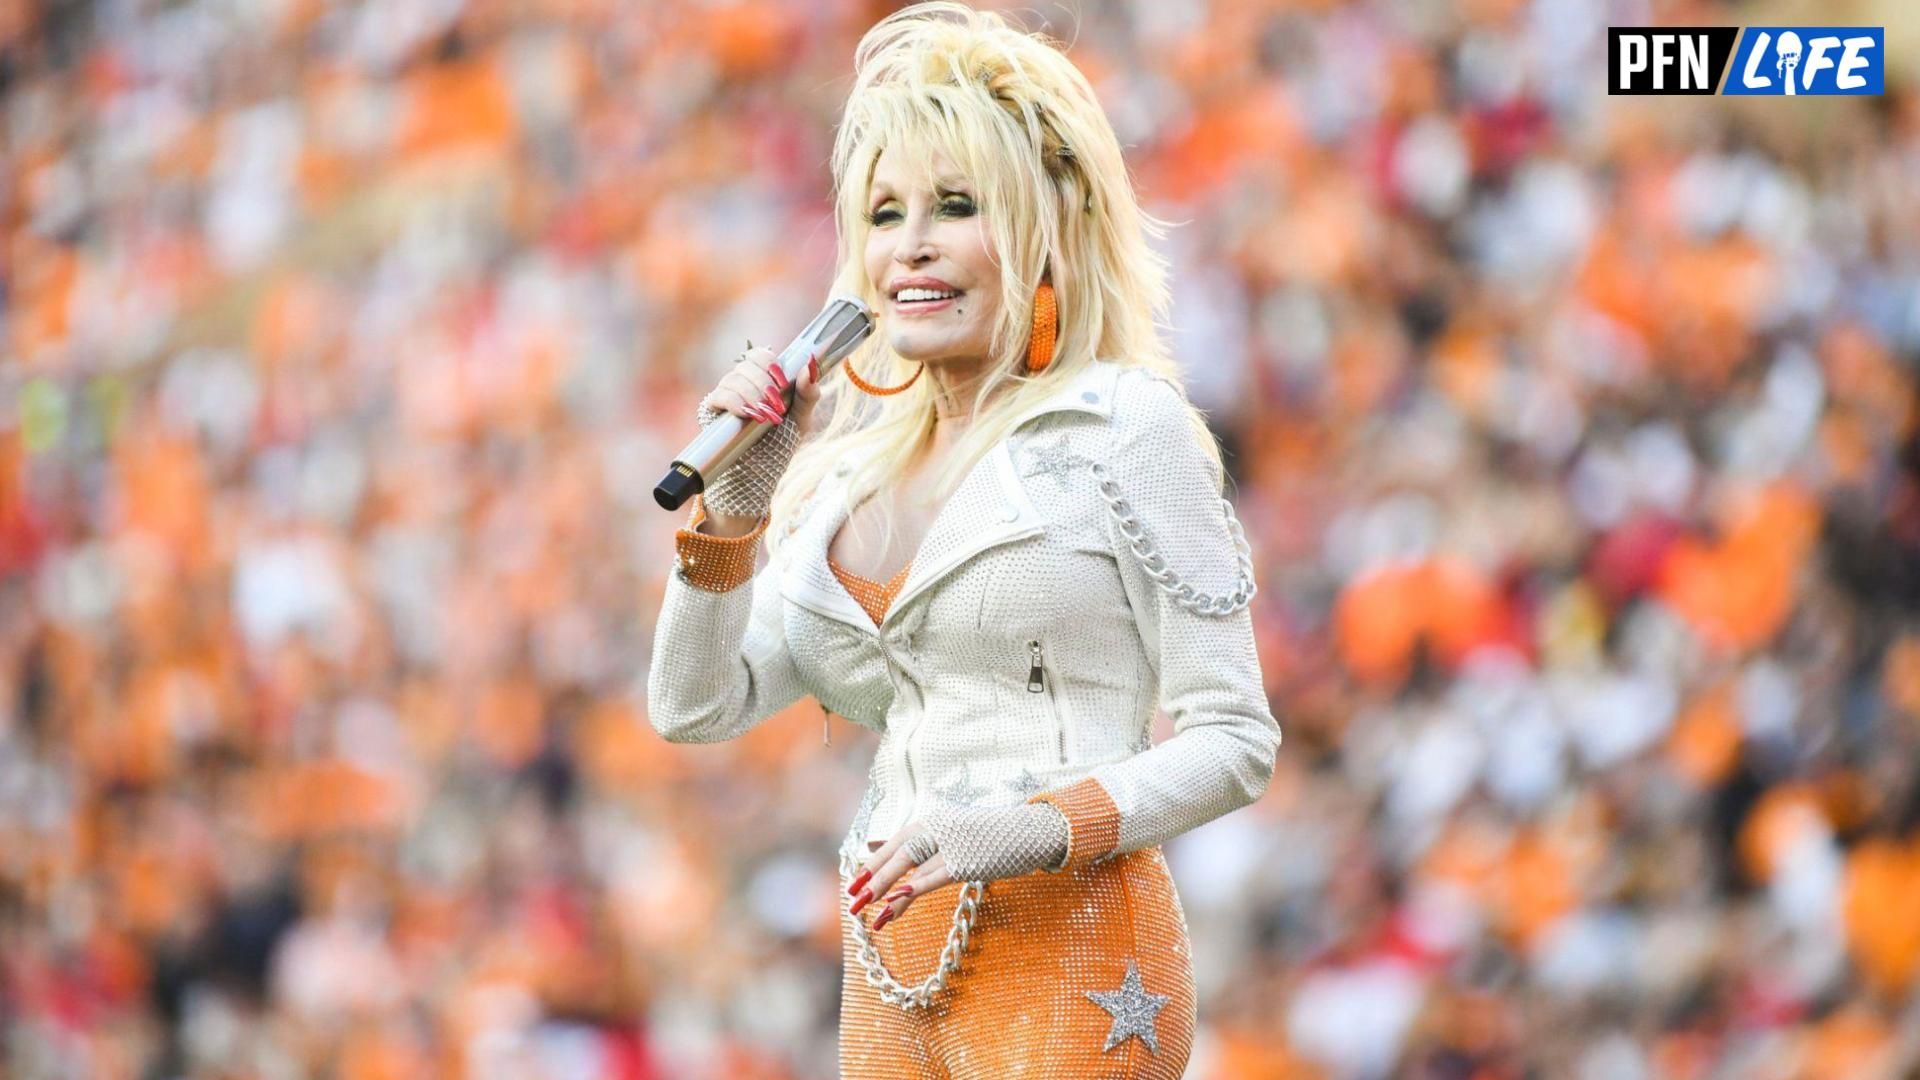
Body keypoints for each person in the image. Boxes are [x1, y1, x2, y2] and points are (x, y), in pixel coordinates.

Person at [645, 3, 1281, 1075]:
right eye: (885, 215)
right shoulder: (846, 474)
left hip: (1078, 942)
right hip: (892, 959)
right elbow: (693, 706)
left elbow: (1236, 740)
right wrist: (739, 509)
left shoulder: (1123, 424)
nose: (911, 247)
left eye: (955, 206)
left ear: (1047, 230)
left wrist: (1021, 825)